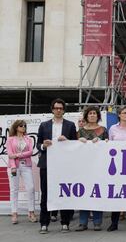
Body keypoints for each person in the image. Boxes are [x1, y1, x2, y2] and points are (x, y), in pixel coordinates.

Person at [37, 98, 77, 234]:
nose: (58, 110)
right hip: (47, 164)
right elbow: (38, 144)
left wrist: (67, 141)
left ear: (64, 110)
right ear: (52, 109)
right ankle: (44, 223)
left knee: (64, 193)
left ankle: (65, 223)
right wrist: (43, 145)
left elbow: (75, 145)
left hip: (64, 165)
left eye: (61, 108)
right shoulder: (44, 125)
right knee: (45, 194)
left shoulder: (70, 125)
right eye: (56, 108)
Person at [76, 106, 108, 232]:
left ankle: (97, 222)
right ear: (86, 116)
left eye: (95, 113)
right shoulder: (80, 131)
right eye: (90, 113)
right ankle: (82, 222)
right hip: (83, 167)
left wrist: (102, 141)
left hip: (98, 166)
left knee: (97, 193)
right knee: (83, 194)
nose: (93, 115)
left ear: (98, 116)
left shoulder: (103, 130)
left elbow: (108, 145)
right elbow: (74, 148)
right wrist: (78, 141)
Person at [6, 120, 36, 224]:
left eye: (24, 126)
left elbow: (30, 152)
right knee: (14, 190)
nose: (23, 127)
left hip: (26, 165)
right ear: (16, 127)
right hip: (13, 167)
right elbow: (10, 155)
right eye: (21, 125)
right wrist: (13, 166)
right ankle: (14, 213)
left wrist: (17, 155)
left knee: (31, 188)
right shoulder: (10, 139)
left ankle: (31, 212)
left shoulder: (28, 139)